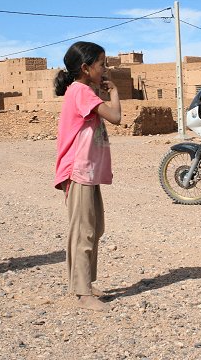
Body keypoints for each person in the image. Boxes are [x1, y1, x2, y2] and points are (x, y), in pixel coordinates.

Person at [54, 41, 121, 312]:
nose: (105, 69)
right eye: (102, 64)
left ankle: (85, 282)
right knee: (83, 231)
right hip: (79, 170)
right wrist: (115, 91)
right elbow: (115, 116)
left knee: (95, 228)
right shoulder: (80, 91)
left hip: (88, 171)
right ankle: (82, 292)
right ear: (85, 68)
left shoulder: (83, 91)